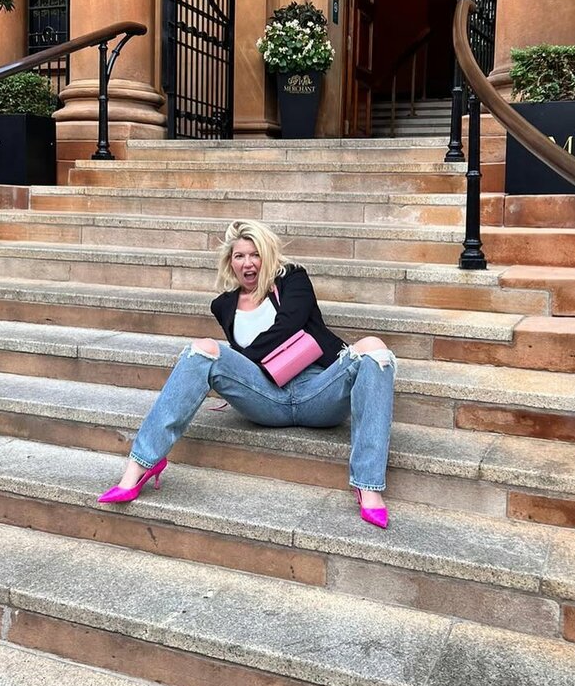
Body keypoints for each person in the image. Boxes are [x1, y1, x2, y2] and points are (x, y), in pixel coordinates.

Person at [98, 219, 396, 528]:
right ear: (230, 262)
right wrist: (234, 368)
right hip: (266, 397)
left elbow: (288, 327)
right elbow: (235, 357)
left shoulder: (293, 280)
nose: (248, 263)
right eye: (239, 256)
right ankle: (140, 466)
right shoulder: (223, 305)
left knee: (374, 349)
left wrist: (241, 362)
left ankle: (368, 486)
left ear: (267, 256)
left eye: (255, 254)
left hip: (318, 390)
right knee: (203, 348)